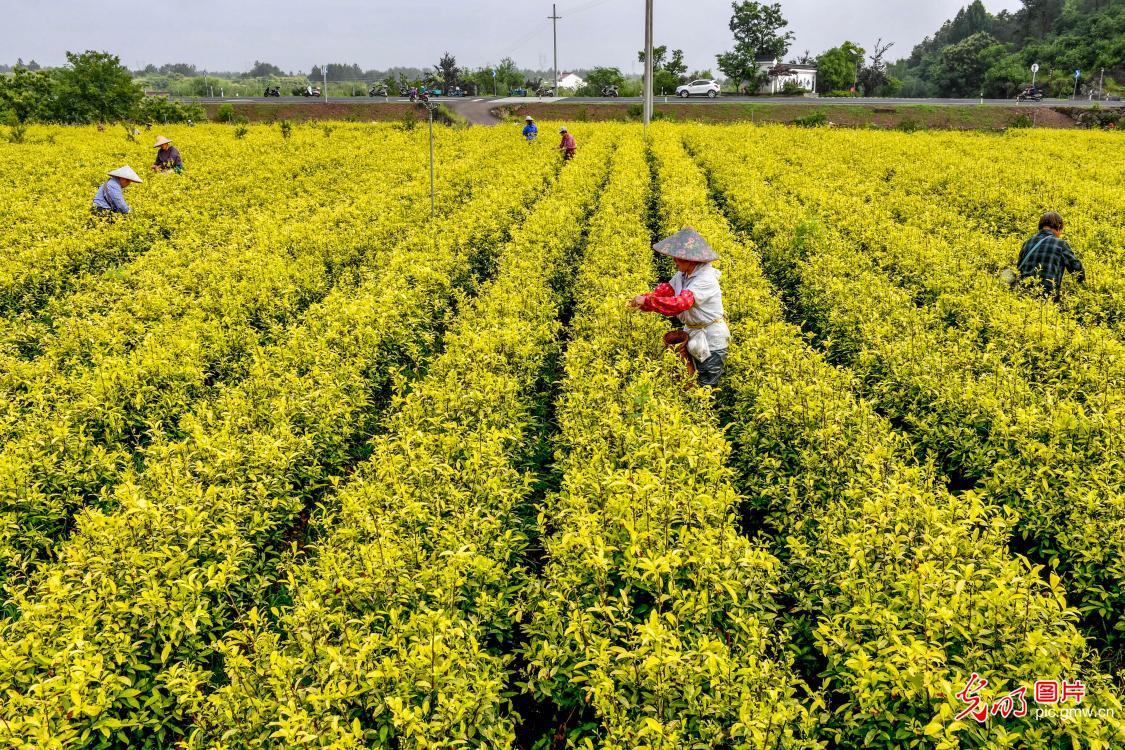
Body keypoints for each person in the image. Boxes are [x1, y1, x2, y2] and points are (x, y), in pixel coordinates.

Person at [629, 227, 730, 387]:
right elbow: (666, 292)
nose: (674, 261)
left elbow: (680, 304)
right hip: (693, 333)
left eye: (677, 258)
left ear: (690, 259)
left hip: (711, 340)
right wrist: (643, 300)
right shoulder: (683, 275)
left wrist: (647, 302)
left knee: (706, 385)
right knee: (688, 380)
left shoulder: (706, 278)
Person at [1017, 212, 1085, 300]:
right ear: (1059, 227)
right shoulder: (1060, 244)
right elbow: (1077, 270)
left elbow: (1018, 269)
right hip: (1048, 298)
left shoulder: (1027, 243)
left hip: (1024, 296)